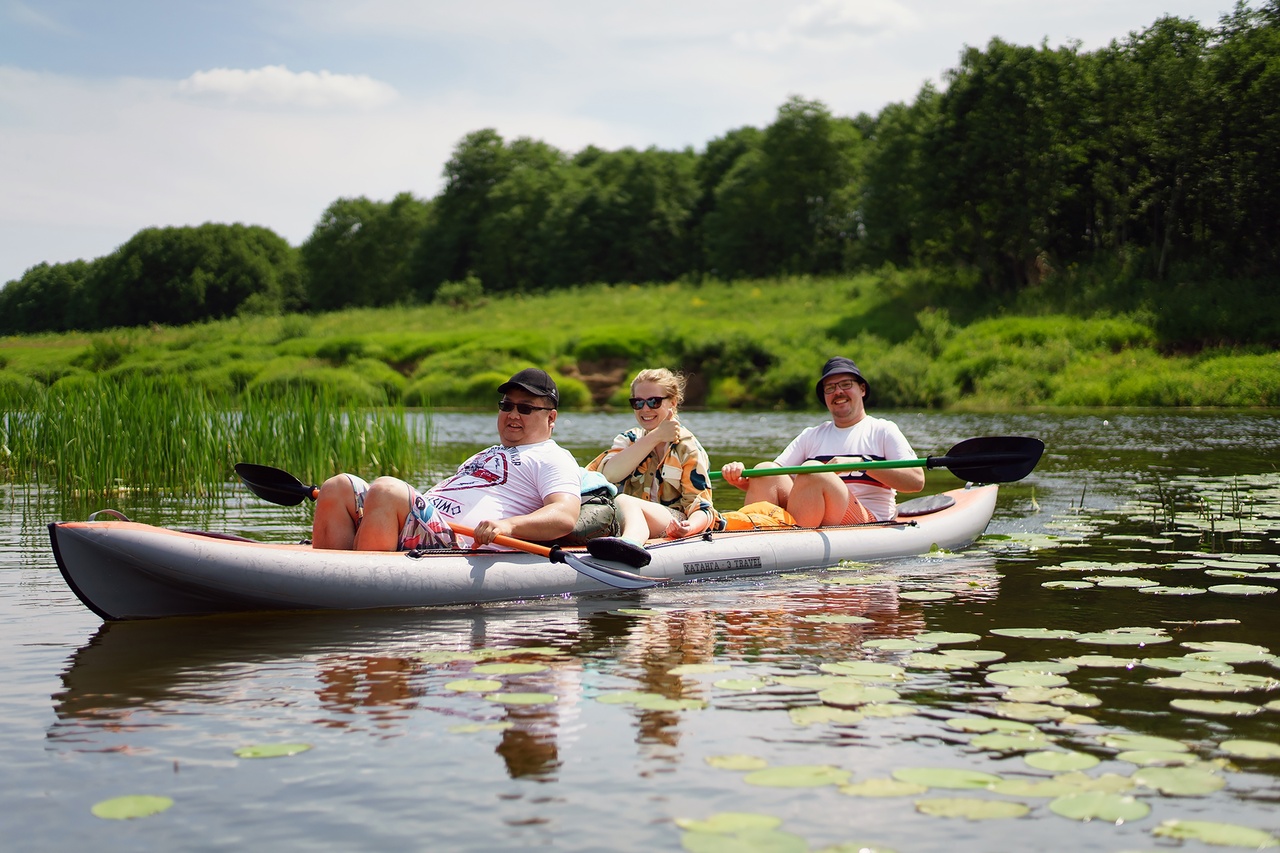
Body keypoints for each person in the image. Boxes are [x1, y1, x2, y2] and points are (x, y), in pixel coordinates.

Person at [311, 368, 580, 551]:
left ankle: (359, 582)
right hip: (427, 524)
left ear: (551, 418)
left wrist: (508, 525)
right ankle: (325, 574)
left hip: (459, 544)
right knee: (338, 486)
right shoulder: (485, 454)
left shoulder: (553, 457)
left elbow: (564, 515)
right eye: (506, 406)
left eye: (525, 408)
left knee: (386, 489)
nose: (512, 415)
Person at [719, 357, 924, 527]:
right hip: (814, 514)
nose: (838, 392)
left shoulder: (883, 430)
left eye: (845, 385)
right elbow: (770, 481)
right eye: (830, 388)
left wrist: (862, 464)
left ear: (862, 389)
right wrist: (742, 479)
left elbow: (916, 481)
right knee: (765, 470)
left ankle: (794, 543)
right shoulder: (812, 435)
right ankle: (751, 537)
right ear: (825, 397)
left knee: (813, 471)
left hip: (869, 520)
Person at [585, 368, 722, 563]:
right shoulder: (628, 440)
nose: (645, 409)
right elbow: (610, 475)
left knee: (625, 500)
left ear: (672, 403)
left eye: (654, 401)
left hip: (673, 519)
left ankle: (631, 544)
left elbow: (702, 505)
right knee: (618, 503)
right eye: (637, 402)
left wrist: (689, 528)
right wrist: (656, 436)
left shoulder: (688, 448)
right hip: (623, 515)